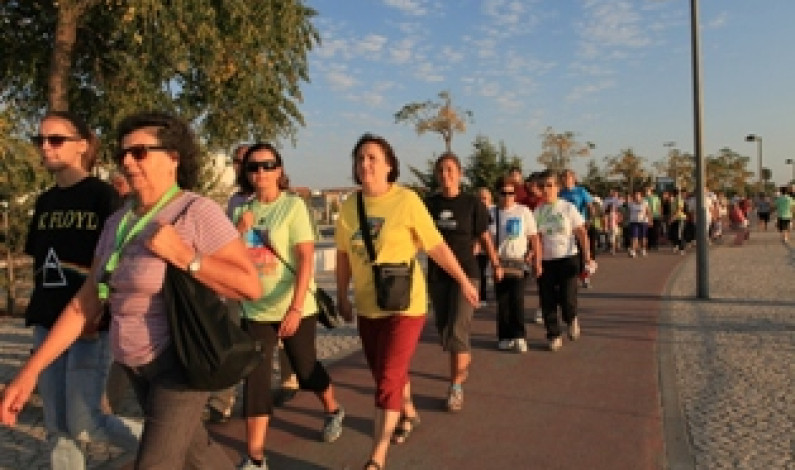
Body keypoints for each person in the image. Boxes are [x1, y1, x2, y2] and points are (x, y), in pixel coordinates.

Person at [1, 111, 263, 469]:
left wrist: (186, 256)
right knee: (197, 453)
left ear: (173, 158)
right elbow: (85, 302)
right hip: (136, 365)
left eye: (140, 152)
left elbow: (250, 285)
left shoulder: (195, 211)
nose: (126, 161)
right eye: (123, 153)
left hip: (179, 362)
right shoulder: (117, 222)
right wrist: (29, 371)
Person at [2, 111, 139, 469]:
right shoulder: (44, 201)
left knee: (85, 423)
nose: (45, 147)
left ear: (82, 146)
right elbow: (41, 261)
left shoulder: (103, 196)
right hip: (47, 321)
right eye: (40, 140)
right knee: (56, 427)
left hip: (86, 325)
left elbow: (115, 262)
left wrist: (100, 310)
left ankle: (166, 443)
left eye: (56, 139)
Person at [335, 134, 478, 470]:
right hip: (369, 306)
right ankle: (408, 413)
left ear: (389, 165)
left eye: (372, 157)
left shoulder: (407, 201)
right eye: (360, 158)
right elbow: (343, 255)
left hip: (405, 306)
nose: (365, 164)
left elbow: (436, 246)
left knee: (387, 379)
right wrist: (342, 294)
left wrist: (462, 280)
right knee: (383, 373)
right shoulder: (349, 206)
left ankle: (376, 459)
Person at [232, 143, 344, 469]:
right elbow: (232, 259)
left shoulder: (293, 206)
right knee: (255, 378)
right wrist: (238, 230)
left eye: (268, 165)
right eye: (253, 167)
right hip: (255, 309)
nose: (261, 173)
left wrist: (295, 308)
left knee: (305, 369)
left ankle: (333, 408)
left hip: (294, 305)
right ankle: (255, 457)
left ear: (279, 170)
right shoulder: (241, 211)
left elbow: (306, 258)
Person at [424, 152, 502, 412]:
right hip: (437, 276)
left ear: (460, 173)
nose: (445, 175)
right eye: (441, 171)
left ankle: (455, 387)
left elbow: (484, 236)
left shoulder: (471, 204)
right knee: (445, 330)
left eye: (450, 170)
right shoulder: (429, 204)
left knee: (458, 331)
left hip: (467, 275)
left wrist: (496, 263)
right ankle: (461, 365)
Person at [534, 170, 593, 352]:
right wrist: (535, 258)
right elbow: (535, 237)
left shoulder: (567, 208)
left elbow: (581, 233)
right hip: (547, 260)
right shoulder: (537, 211)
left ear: (557, 188)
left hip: (568, 258)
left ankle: (571, 318)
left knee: (568, 298)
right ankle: (553, 334)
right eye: (542, 186)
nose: (546, 190)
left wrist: (587, 257)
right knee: (547, 299)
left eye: (550, 186)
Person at [490, 175, 541, 353]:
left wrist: (536, 259)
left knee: (517, 299)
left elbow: (533, 237)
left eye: (511, 193)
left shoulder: (523, 211)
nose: (507, 197)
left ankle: (519, 335)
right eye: (503, 193)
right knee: (503, 300)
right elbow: (486, 239)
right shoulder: (492, 213)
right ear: (498, 193)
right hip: (499, 261)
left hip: (519, 261)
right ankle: (505, 335)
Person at [558, 169, 596, 287]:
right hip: (566, 227)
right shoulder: (561, 193)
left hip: (580, 225)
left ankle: (585, 276)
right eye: (563, 177)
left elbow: (590, 206)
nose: (566, 180)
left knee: (582, 250)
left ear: (574, 179)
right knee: (569, 252)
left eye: (568, 177)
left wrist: (589, 220)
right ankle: (569, 276)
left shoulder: (581, 191)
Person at [473, 187, 495, 305]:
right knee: (479, 272)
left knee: (492, 272)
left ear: (490, 200)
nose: (482, 201)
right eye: (479, 198)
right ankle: (481, 296)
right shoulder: (473, 212)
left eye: (484, 199)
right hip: (478, 249)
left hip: (492, 248)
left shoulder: (494, 212)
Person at [627, 189, 651, 258]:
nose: (637, 196)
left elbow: (648, 212)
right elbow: (628, 212)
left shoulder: (645, 203)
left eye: (638, 195)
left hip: (643, 222)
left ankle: (643, 249)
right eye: (635, 195)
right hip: (634, 222)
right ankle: (633, 251)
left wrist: (649, 220)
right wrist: (628, 220)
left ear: (641, 196)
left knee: (643, 237)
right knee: (635, 237)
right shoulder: (631, 203)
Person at [644, 185, 662, 250]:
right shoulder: (644, 198)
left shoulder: (656, 198)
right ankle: (649, 245)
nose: (646, 192)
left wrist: (660, 214)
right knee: (649, 231)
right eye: (645, 191)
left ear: (650, 191)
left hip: (655, 216)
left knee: (656, 231)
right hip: (647, 217)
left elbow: (659, 206)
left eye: (647, 191)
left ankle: (656, 244)